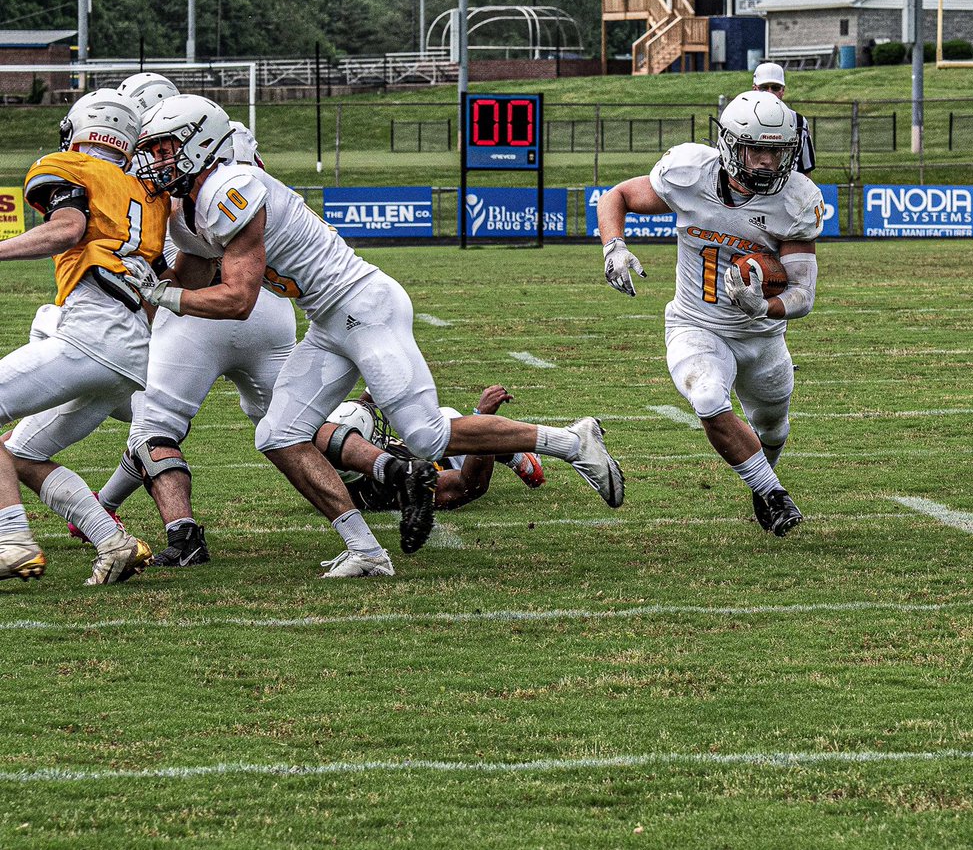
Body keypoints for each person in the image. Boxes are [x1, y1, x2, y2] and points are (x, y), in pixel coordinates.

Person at [128, 95, 624, 578]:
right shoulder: (187, 208)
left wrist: (163, 295)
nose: (155, 160)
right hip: (327, 320)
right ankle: (365, 550)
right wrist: (145, 278)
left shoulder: (231, 187)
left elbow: (238, 300)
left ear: (203, 143)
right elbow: (189, 280)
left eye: (166, 148)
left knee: (426, 434)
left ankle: (570, 441)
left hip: (365, 306)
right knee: (277, 434)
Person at [88, 73, 302, 569]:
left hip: (197, 298)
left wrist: (151, 298)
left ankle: (181, 534)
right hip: (266, 300)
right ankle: (387, 469)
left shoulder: (164, 168)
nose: (147, 149)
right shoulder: (233, 143)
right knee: (296, 419)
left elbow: (170, 249)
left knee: (153, 424)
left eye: (154, 140)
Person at [596, 90, 823, 536]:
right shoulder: (688, 173)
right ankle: (774, 494)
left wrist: (766, 305)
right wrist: (614, 247)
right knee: (706, 396)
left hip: (761, 335)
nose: (765, 162)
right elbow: (616, 196)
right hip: (694, 323)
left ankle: (762, 483)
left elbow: (803, 292)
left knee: (772, 428)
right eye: (755, 148)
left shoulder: (795, 198)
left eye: (776, 152)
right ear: (730, 144)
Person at [0, 89, 166, 585]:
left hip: (94, 334)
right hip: (134, 350)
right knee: (22, 452)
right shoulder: (147, 193)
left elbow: (67, 228)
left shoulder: (68, 166)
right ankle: (113, 542)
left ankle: (12, 541)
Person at [318, 385, 546, 513]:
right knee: (448, 422)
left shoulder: (328, 463)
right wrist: (482, 419)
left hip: (414, 454)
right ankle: (516, 456)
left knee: (434, 421)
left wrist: (379, 379)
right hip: (449, 463)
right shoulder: (386, 489)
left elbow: (353, 422)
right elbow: (468, 486)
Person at [752, 62, 816, 177]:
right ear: (754, 89)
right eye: (764, 88)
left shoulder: (799, 122)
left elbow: (806, 169)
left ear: (782, 91)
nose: (770, 93)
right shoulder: (741, 118)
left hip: (787, 189)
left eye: (775, 88)